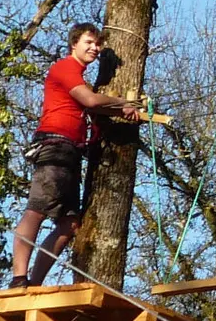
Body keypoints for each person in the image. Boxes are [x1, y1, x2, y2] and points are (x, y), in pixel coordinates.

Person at [8, 23, 142, 289]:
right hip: (55, 146)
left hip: (70, 152)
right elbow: (91, 101)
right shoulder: (65, 68)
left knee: (70, 224)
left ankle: (33, 283)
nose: (95, 48)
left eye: (97, 45)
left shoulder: (80, 77)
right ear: (74, 44)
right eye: (89, 43)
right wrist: (123, 104)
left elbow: (91, 107)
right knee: (37, 210)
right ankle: (18, 277)